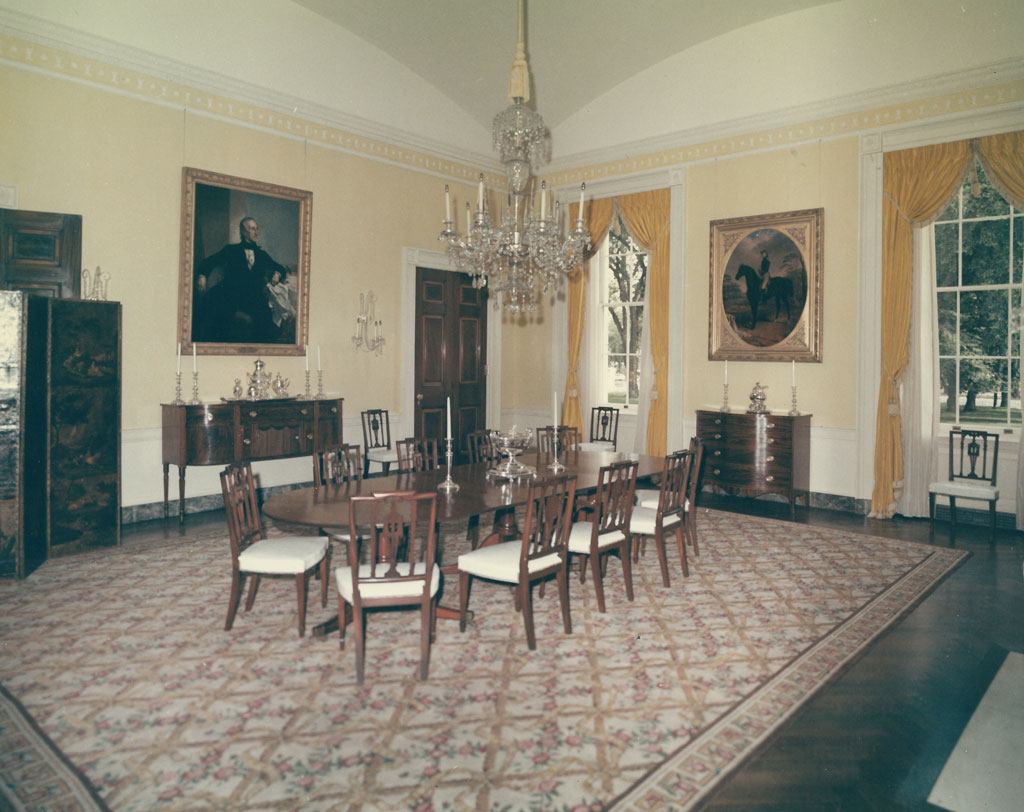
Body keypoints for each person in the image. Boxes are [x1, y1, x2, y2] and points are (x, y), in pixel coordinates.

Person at [192, 216, 291, 343]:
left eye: (257, 229)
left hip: (253, 297)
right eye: (252, 229)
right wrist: (202, 275)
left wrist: (277, 273)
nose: (256, 232)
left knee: (264, 322)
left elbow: (279, 267)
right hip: (230, 294)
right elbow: (209, 261)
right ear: (243, 232)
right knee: (213, 315)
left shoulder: (262, 255)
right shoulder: (231, 250)